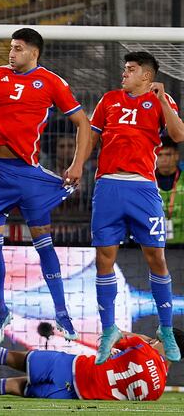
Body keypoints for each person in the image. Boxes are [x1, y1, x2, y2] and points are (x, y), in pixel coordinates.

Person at [0, 27, 91, 345]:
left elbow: (83, 122)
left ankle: (62, 313)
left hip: (28, 174)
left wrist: (78, 163)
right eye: (10, 48)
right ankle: (0, 311)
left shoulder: (52, 82)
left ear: (33, 52)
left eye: (17, 48)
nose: (11, 54)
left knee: (44, 241)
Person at [89, 51, 184, 363]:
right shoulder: (109, 100)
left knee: (156, 256)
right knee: (104, 258)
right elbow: (90, 138)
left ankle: (166, 329)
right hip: (107, 185)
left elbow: (178, 135)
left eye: (130, 70)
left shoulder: (160, 101)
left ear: (146, 75)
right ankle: (108, 330)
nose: (124, 74)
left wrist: (165, 101)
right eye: (124, 69)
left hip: (143, 188)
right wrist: (77, 167)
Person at [0, 329, 183, 401]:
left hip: (69, 367)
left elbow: (115, 335)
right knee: (10, 387)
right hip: (72, 395)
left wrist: (143, 340)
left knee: (12, 357)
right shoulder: (157, 391)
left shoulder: (142, 348)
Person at [156, 136, 184, 245]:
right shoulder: (145, 182)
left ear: (176, 155)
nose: (163, 159)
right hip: (154, 247)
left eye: (168, 154)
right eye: (159, 155)